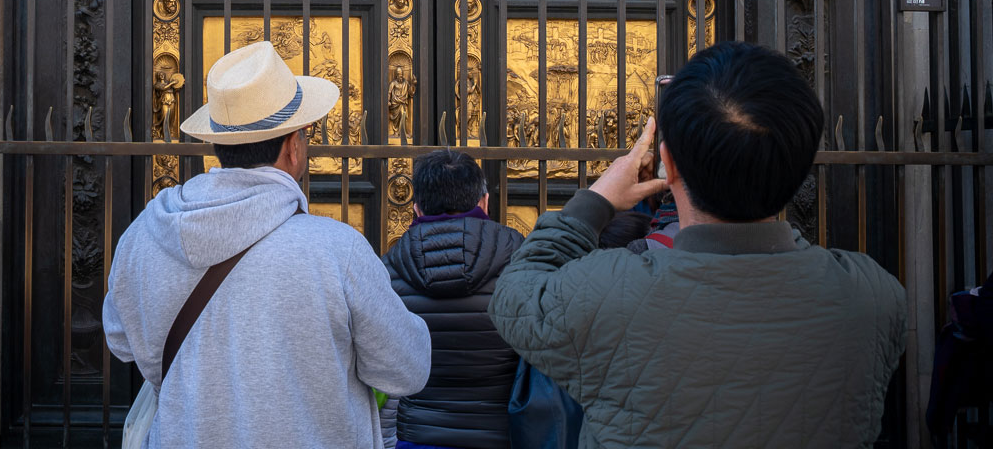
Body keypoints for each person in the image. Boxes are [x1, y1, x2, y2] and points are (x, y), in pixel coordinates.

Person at [490, 42, 907, 449]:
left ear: (668, 164)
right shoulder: (873, 298)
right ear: (801, 165)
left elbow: (515, 293)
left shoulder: (605, 296)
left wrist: (596, 200)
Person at [103, 42, 429, 449]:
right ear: (293, 147)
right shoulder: (336, 250)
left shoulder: (144, 236)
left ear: (219, 144)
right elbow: (407, 369)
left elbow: (119, 340)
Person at [382, 150, 522, 449]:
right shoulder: (521, 257)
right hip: (502, 433)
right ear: (484, 202)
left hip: (419, 434)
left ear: (417, 208)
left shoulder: (389, 268)